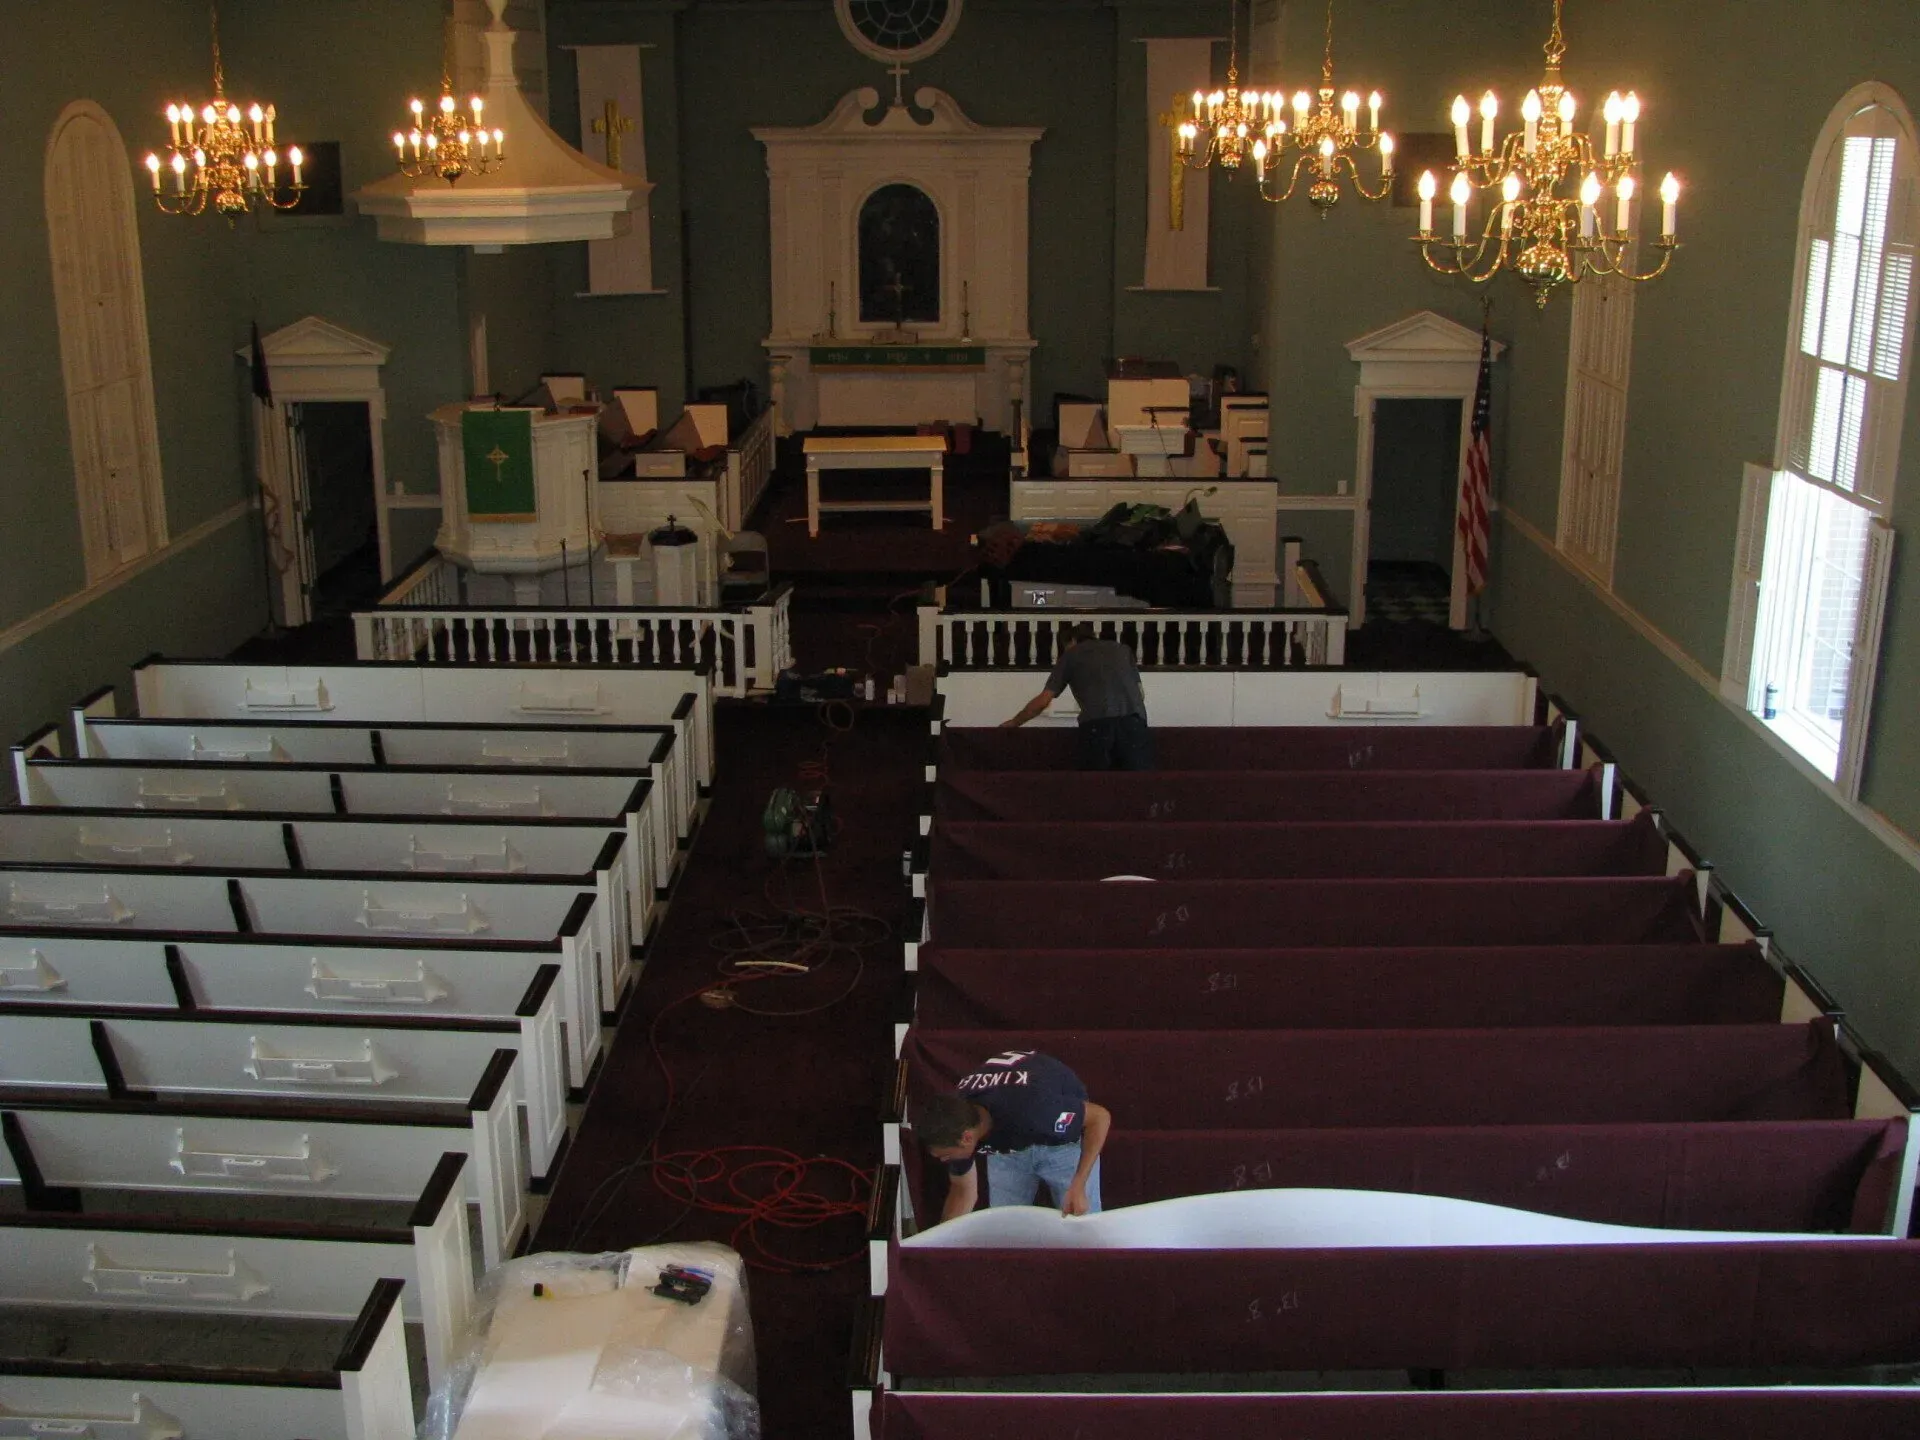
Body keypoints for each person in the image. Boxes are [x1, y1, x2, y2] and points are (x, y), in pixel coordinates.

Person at [915, 1049, 1112, 1222]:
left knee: (1081, 1222)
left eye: (946, 1155)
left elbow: (1099, 1117)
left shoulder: (1033, 1108)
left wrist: (1079, 1183)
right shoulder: (956, 1120)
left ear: (966, 1138)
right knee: (1006, 1229)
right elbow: (962, 1192)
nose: (944, 1160)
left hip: (1057, 1137)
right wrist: (940, 1248)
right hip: (1007, 1143)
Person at [1000, 622, 1154, 770]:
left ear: (1072, 640)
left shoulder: (1071, 655)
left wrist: (1015, 722)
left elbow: (1044, 700)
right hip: (1135, 724)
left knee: (1095, 785)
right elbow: (1140, 693)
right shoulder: (1122, 650)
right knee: (1135, 784)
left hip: (1098, 726)